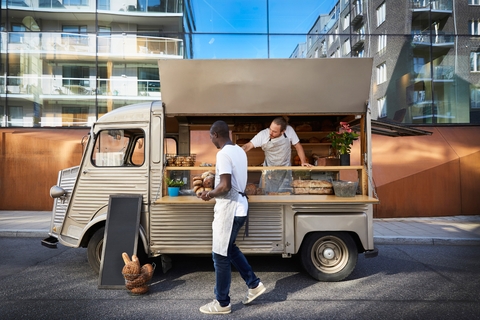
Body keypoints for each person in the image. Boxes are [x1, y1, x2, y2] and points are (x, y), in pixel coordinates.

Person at [198, 120, 265, 315]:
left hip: (230, 210)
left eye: (211, 137)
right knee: (230, 248)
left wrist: (208, 194)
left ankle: (222, 303)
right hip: (240, 207)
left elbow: (225, 185)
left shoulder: (223, 153)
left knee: (220, 255)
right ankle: (254, 285)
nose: (211, 140)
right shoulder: (239, 151)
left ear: (216, 135)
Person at [242, 116, 312, 193]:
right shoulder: (263, 134)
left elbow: (298, 146)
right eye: (270, 129)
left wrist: (303, 162)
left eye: (274, 131)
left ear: (283, 131)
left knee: (285, 197)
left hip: (285, 172)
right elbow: (248, 146)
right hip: (269, 173)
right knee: (266, 197)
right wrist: (234, 152)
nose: (270, 133)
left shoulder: (289, 131)